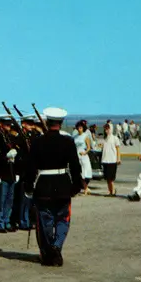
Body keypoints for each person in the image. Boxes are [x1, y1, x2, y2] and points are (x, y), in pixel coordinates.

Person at [23, 107, 83, 267]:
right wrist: (77, 185)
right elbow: (76, 166)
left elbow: (30, 167)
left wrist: (28, 186)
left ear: (47, 122)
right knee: (63, 219)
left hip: (44, 186)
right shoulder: (68, 141)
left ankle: (49, 252)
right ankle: (56, 246)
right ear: (61, 123)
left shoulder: (37, 142)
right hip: (63, 184)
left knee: (46, 221)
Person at [100, 123, 121, 196]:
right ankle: (110, 191)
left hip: (112, 160)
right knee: (107, 178)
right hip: (105, 160)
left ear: (111, 129)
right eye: (105, 129)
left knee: (111, 178)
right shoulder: (105, 139)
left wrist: (118, 159)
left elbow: (118, 149)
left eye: (108, 129)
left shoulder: (115, 138)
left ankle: (113, 191)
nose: (106, 131)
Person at [73, 121, 92, 195]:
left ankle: (86, 187)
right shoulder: (75, 137)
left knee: (86, 172)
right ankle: (85, 188)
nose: (79, 129)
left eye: (81, 128)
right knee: (79, 173)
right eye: (78, 128)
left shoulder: (85, 136)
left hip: (83, 155)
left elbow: (88, 147)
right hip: (76, 154)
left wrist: (85, 152)